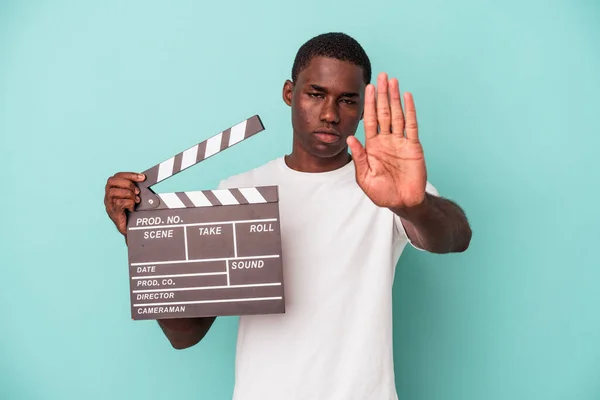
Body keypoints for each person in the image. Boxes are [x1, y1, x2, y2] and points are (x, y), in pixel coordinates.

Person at [104, 32, 472, 400]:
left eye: (347, 100)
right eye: (316, 94)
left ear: (362, 108)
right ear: (288, 93)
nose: (330, 114)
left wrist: (411, 205)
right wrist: (141, 236)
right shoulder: (238, 192)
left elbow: (454, 237)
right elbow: (186, 334)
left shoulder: (385, 188)